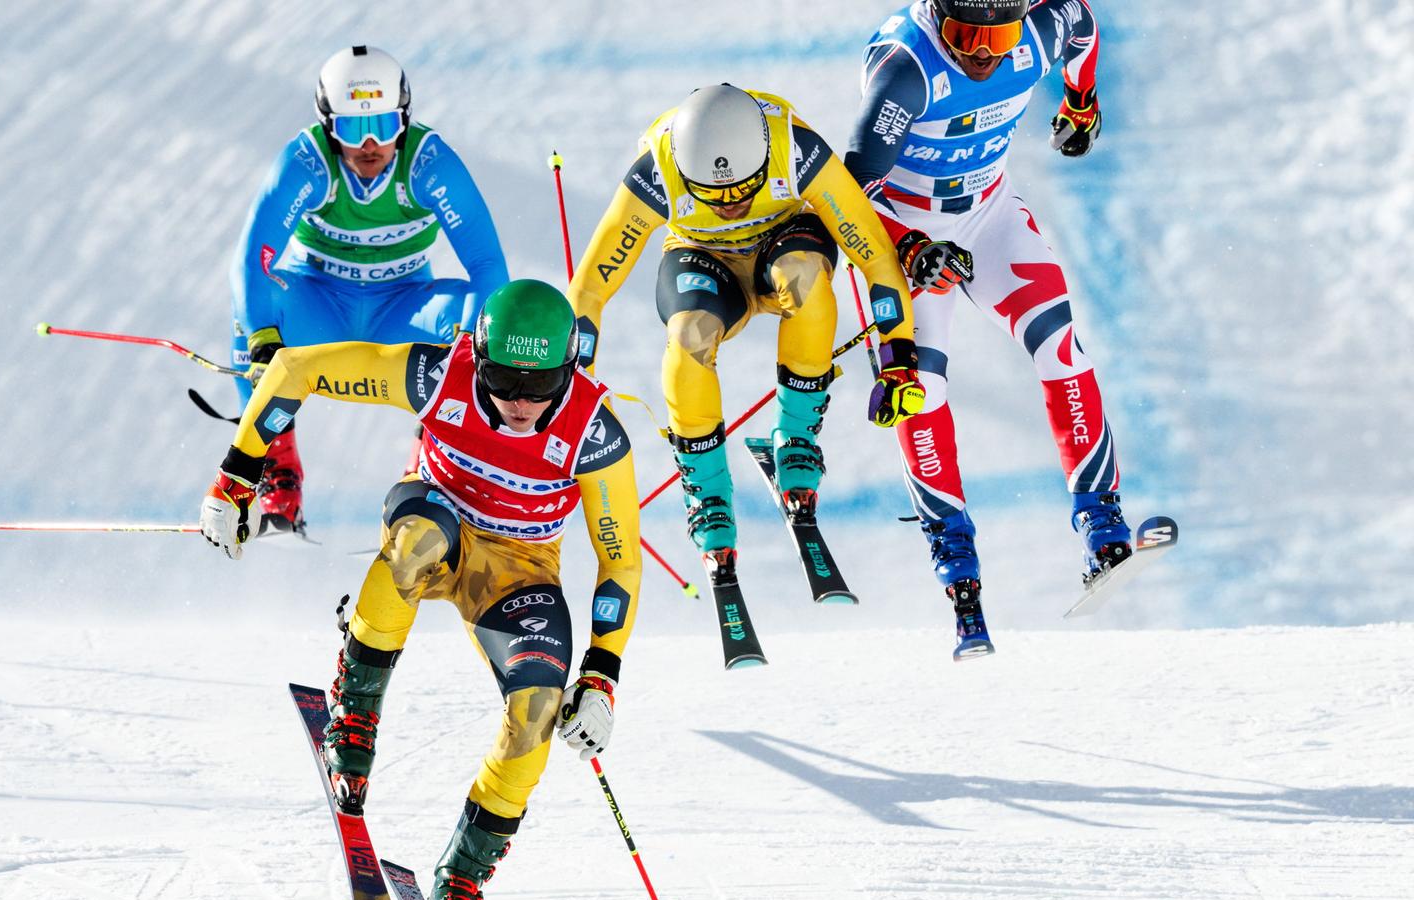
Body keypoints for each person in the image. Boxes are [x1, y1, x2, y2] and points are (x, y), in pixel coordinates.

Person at [198, 280, 641, 900]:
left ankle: (462, 873)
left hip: (518, 575)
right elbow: (295, 369)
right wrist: (236, 475)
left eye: (541, 385)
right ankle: (357, 709)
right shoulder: (441, 375)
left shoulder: (595, 431)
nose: (522, 403)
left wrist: (602, 675)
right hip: (436, 520)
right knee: (416, 546)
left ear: (571, 368)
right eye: (503, 380)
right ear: (478, 357)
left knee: (538, 710)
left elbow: (619, 563)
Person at [843, 0, 1127, 657]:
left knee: (1060, 346)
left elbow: (1080, 21)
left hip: (987, 214)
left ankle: (1102, 523)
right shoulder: (906, 66)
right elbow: (846, 192)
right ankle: (956, 563)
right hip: (899, 235)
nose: (983, 53)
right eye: (967, 35)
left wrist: (1081, 102)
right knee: (921, 391)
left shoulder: (1034, 31)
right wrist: (910, 247)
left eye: (996, 36)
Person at [565, 83, 926, 596]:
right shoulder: (657, 169)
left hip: (785, 239)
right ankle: (707, 491)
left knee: (806, 280)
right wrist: (572, 386)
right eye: (714, 194)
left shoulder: (795, 147)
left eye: (744, 187)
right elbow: (590, 288)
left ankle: (796, 435)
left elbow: (873, 253)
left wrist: (899, 358)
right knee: (688, 336)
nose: (732, 203)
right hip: (702, 256)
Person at [227, 45, 510, 534]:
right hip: (318, 302)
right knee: (252, 317)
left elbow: (488, 267)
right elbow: (253, 259)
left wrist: (470, 358)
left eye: (384, 124)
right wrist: (263, 343)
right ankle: (275, 469)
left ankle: (431, 471)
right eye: (353, 130)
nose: (371, 145)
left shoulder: (429, 164)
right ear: (326, 124)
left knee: (483, 318)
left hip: (401, 306)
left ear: (404, 117)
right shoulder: (307, 163)